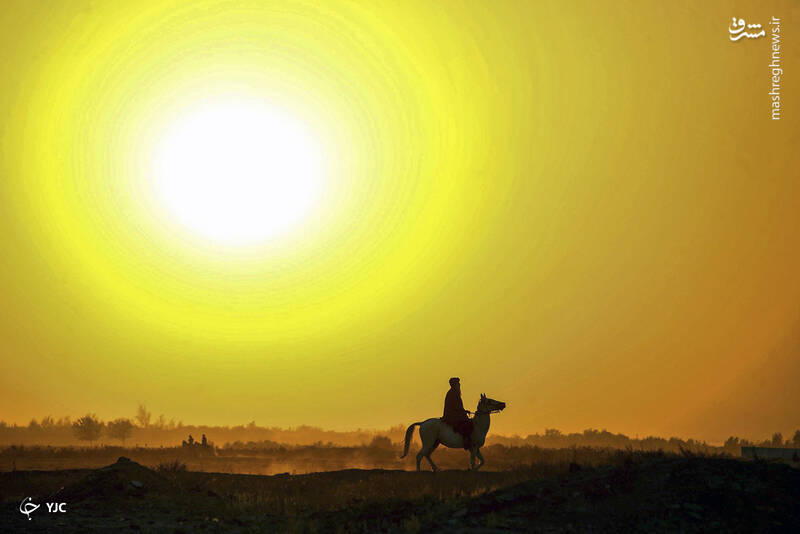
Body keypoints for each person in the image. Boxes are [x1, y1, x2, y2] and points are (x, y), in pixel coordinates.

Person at [442, 377, 473, 449]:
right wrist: (464, 411)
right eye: (458, 384)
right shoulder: (453, 393)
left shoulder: (454, 392)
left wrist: (464, 411)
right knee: (467, 424)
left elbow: (458, 406)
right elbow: (456, 407)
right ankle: (465, 441)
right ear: (455, 385)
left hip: (455, 413)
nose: (459, 385)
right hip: (452, 415)